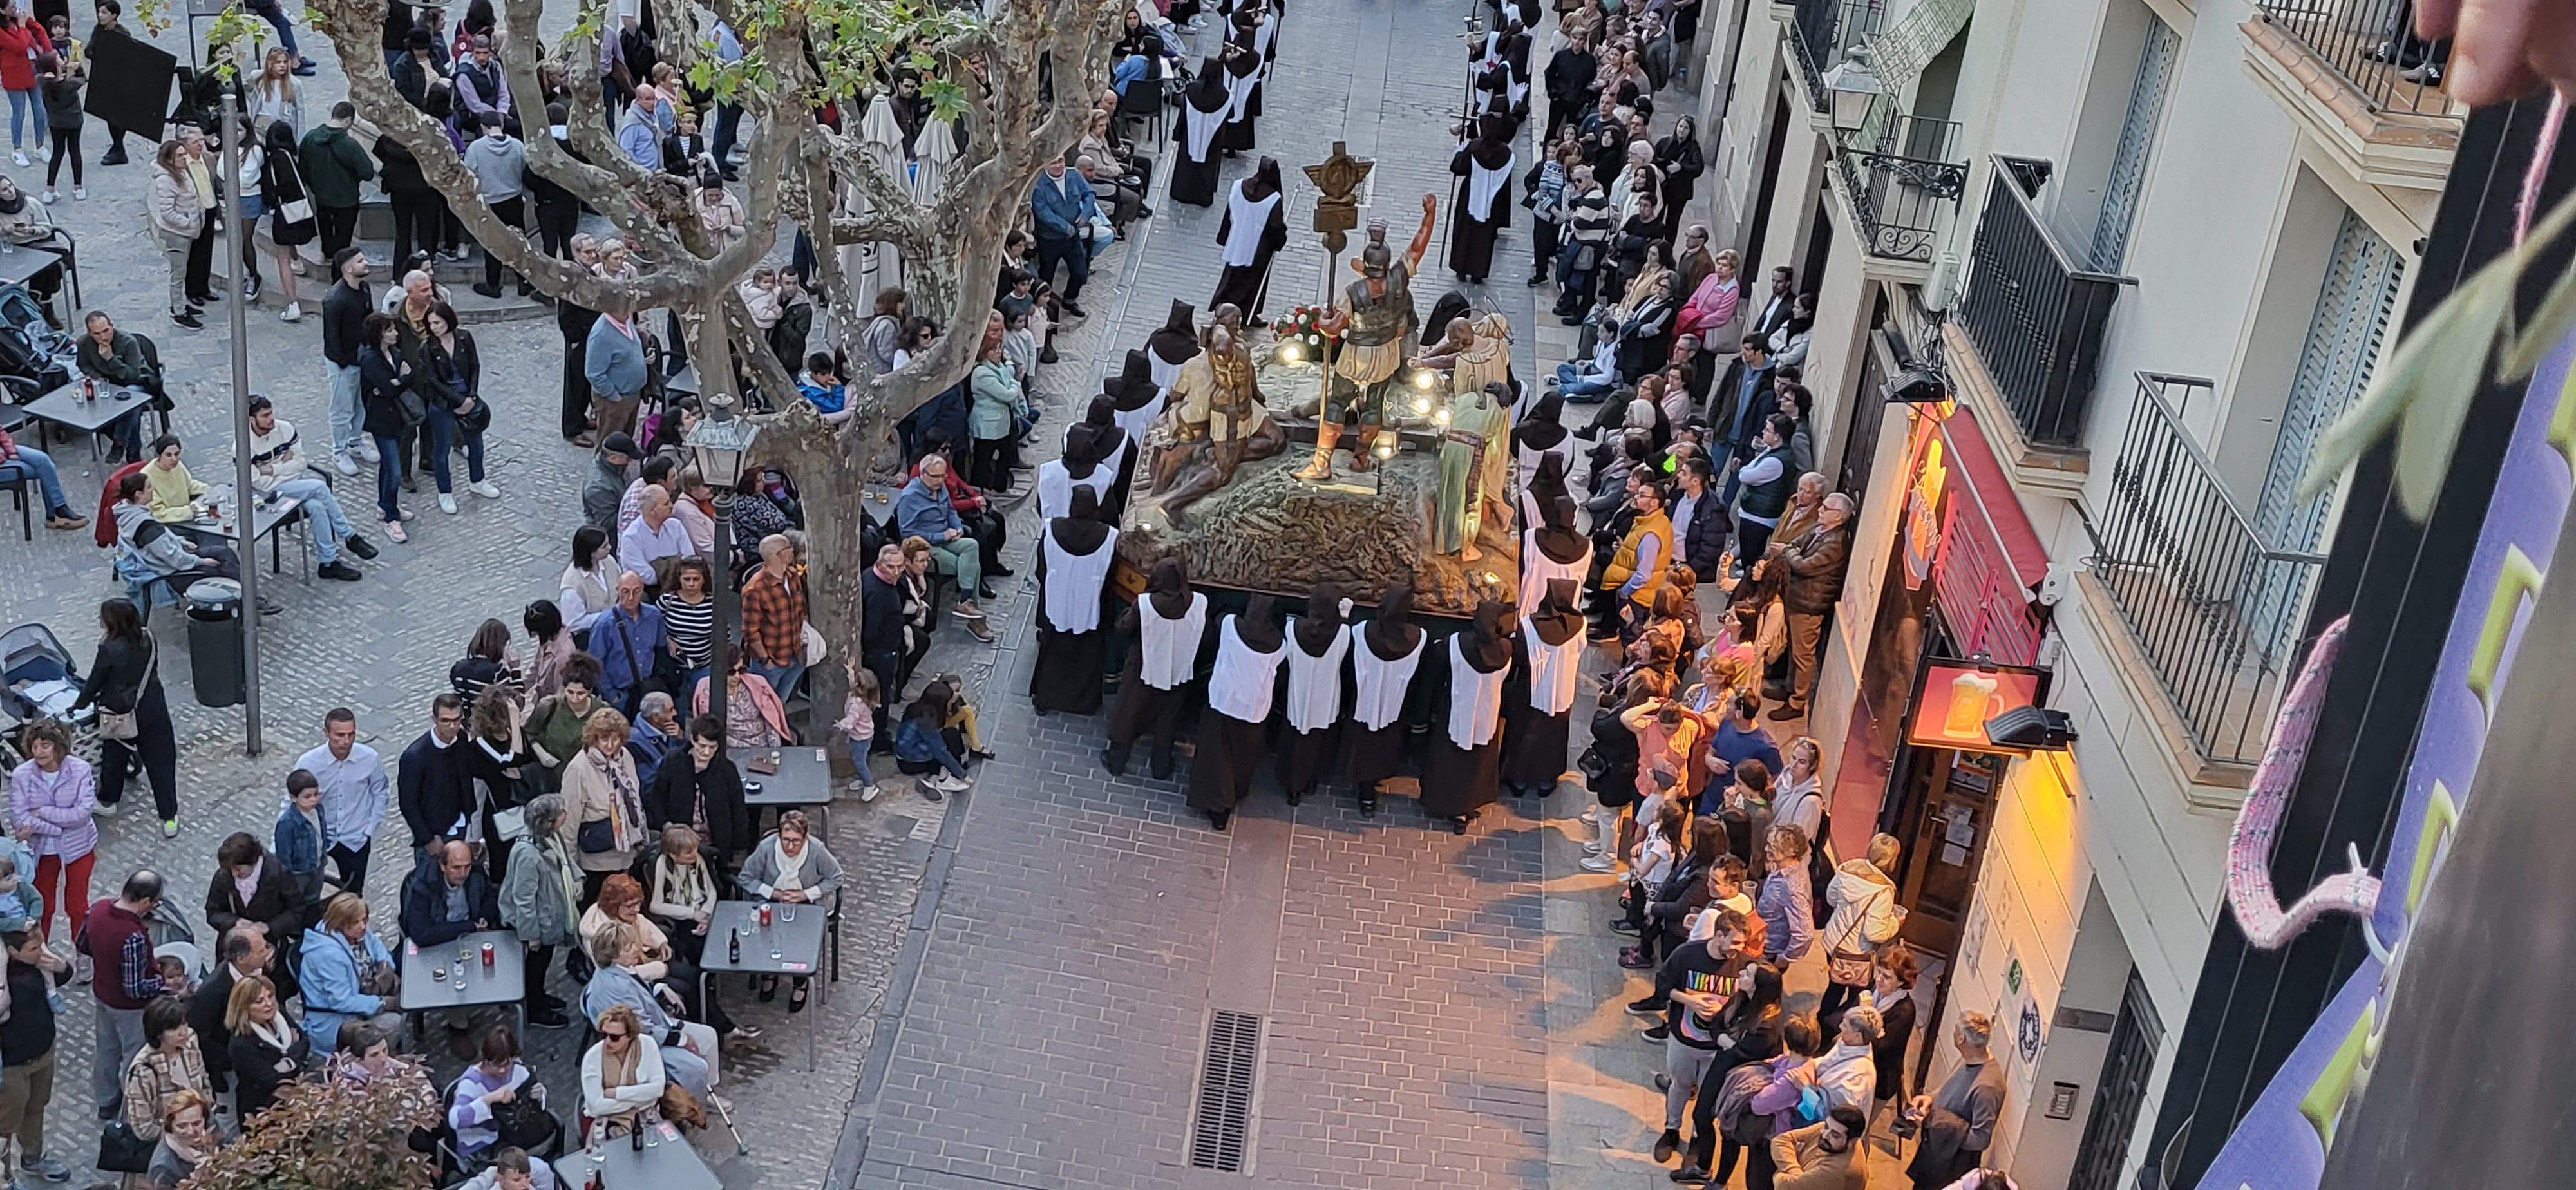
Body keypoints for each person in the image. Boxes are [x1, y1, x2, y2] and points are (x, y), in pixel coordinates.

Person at [734, 810, 840, 1010]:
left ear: (805, 837)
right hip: (771, 902)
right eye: (785, 840)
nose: (790, 846)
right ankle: (769, 974)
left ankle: (800, 983)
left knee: (801, 938)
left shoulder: (817, 851)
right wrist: (773, 893)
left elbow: (836, 877)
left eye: (796, 841)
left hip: (805, 904)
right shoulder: (766, 849)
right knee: (765, 931)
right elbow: (746, 877)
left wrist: (806, 894)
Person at [496, 795, 578, 1030]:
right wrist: (531, 935)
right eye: (562, 812)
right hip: (538, 922)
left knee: (544, 962)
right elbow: (524, 899)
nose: (566, 814)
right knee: (536, 964)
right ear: (550, 821)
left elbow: (565, 862)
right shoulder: (528, 854)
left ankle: (539, 995)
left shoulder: (551, 837)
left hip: (549, 915)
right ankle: (534, 1007)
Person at [8, 719, 95, 940]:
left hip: (78, 847)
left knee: (77, 907)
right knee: (42, 906)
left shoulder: (80, 770)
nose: (39, 752)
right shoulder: (22, 775)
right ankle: (40, 954)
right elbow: (19, 818)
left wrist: (43, 812)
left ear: (58, 746)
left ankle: (84, 956)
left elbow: (81, 815)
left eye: (45, 746)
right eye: (35, 746)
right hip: (42, 851)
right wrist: (56, 829)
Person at [290, 708, 388, 896]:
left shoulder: (369, 759)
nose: (346, 741)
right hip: (318, 837)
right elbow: (290, 800)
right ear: (326, 733)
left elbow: (380, 793)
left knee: (353, 895)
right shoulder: (309, 762)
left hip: (355, 839)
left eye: (351, 734)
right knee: (310, 892)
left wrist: (369, 830)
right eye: (340, 735)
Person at [1904, 1013, 2006, 1189]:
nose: (1953, 1033)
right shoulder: (1968, 1059)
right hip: (1937, 1150)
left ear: (1961, 1038)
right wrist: (1930, 1098)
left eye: (1955, 1030)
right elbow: (1947, 1089)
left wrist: (1936, 1124)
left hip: (1951, 1166)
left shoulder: (1987, 1087)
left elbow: (1980, 1139)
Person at [0, 927, 70, 1184]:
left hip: (42, 1053)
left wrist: (61, 966)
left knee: (36, 1108)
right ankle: (3, 1178)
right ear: (11, 952)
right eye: (32, 949)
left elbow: (63, 976)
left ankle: (32, 1159)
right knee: (4, 1127)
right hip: (11, 1066)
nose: (40, 952)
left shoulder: (38, 964)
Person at [893, 455, 994, 630]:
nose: (940, 480)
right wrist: (942, 535)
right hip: (925, 546)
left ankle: (965, 601)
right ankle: (975, 618)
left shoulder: (940, 488)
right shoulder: (910, 497)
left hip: (948, 537)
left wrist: (957, 527)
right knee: (970, 567)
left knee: (972, 546)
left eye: (943, 476)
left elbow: (950, 510)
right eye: (935, 476)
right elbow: (907, 534)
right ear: (923, 474)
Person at [297, 892, 401, 1055]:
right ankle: (378, 1064)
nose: (363, 926)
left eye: (365, 920)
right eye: (356, 922)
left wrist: (385, 965)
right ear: (340, 923)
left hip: (365, 994)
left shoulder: (358, 930)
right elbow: (341, 1001)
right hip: (336, 1019)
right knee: (393, 1022)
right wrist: (381, 1003)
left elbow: (378, 946)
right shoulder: (329, 955)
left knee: (408, 993)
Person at [560, 710, 643, 903]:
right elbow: (569, 822)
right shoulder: (578, 768)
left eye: (616, 739)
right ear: (593, 738)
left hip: (626, 853)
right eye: (604, 739)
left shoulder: (626, 757)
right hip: (596, 860)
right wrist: (572, 869)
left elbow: (635, 801)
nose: (610, 745)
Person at [1821, 833, 1905, 1018]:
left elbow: (1831, 897)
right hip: (1855, 953)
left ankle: (1821, 1024)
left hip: (1833, 942)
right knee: (1858, 996)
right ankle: (1831, 1027)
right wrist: (1895, 923)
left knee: (1834, 987)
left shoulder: (1848, 868)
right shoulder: (1883, 891)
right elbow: (1874, 933)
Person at [222, 974, 308, 1120]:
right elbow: (271, 1079)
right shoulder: (240, 1044)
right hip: (263, 1112)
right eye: (259, 1001)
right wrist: (293, 1054)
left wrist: (287, 1062)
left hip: (295, 1103)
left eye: (270, 996)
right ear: (244, 1007)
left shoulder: (279, 1015)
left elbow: (304, 1042)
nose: (268, 1004)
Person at [578, 1004, 666, 1142]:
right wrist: (641, 1099)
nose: (607, 1041)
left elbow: (658, 1089)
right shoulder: (592, 1057)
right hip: (605, 1122)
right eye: (603, 1035)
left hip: (645, 1117)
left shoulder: (648, 1045)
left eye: (614, 1037)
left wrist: (616, 1093)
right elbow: (596, 1106)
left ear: (630, 1036)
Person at [298, 102, 373, 260]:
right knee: (343, 237)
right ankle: (339, 266)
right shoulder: (350, 145)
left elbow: (302, 168)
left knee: (325, 227)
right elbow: (368, 173)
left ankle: (328, 254)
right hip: (346, 199)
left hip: (321, 196)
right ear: (348, 120)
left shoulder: (310, 138)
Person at [524, 656, 610, 791]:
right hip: (552, 779)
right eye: (570, 692)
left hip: (587, 782)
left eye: (581, 693)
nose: (575, 699)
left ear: (590, 692)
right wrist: (541, 753)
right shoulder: (549, 706)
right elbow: (528, 733)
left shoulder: (603, 713)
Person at [399, 840, 497, 950]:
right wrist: (468, 927)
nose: (463, 873)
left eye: (467, 866)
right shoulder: (423, 886)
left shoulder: (476, 873)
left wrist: (484, 916)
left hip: (472, 938)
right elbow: (421, 934)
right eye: (456, 868)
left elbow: (490, 895)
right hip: (439, 943)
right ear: (443, 865)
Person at [891, 680, 972, 798]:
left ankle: (934, 778)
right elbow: (939, 750)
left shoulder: (916, 709)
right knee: (949, 740)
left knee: (948, 737)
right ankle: (945, 778)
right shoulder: (926, 721)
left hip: (906, 756)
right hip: (912, 763)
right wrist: (963, 775)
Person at [1770, 1106, 1868, 1190]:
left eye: (1835, 1135)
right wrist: (1796, 1171)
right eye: (1826, 1126)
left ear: (1853, 1141)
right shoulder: (1834, 1130)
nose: (1825, 1135)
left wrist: (1782, 1169)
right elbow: (1780, 1140)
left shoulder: (1837, 1172)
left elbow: (1782, 1186)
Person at [138, 1089, 213, 1190]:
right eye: (182, 1126)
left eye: (197, 1124)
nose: (191, 1131)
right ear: (170, 1127)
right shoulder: (163, 1169)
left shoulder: (213, 1131)